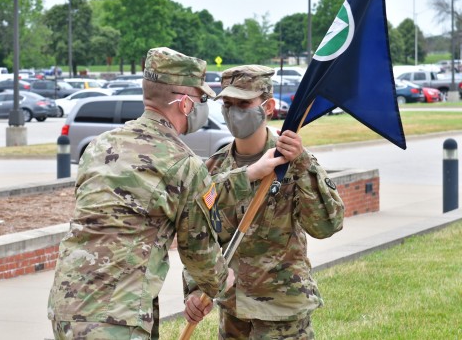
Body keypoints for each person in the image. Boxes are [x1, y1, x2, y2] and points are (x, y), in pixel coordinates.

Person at [48, 48, 286, 339]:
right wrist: (222, 280)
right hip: (118, 317)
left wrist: (247, 175)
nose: (203, 107)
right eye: (200, 99)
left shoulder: (101, 146)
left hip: (66, 305)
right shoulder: (182, 162)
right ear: (185, 103)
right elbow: (197, 249)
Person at [183, 65, 345, 339]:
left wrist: (302, 163)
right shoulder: (214, 169)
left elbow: (327, 225)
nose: (234, 112)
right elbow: (198, 236)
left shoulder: (293, 162)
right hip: (233, 312)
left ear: (268, 107)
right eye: (227, 104)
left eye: (244, 103)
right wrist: (196, 289)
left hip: (283, 312)